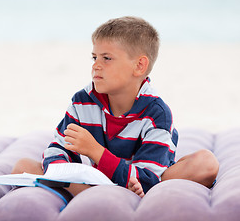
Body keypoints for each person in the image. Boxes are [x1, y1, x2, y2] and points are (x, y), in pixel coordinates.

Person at [12, 16, 219, 198]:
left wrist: (95, 151)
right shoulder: (83, 101)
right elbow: (58, 149)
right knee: (23, 167)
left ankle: (97, 195)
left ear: (139, 66)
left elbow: (148, 175)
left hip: (143, 178)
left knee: (205, 163)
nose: (95, 65)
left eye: (107, 58)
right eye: (94, 57)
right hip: (98, 179)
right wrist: (62, 170)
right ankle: (93, 194)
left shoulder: (157, 113)